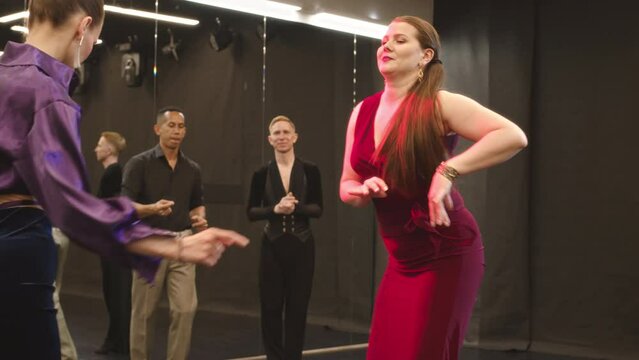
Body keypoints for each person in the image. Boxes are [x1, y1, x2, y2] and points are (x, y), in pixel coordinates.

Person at [0, 1, 248, 359]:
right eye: (94, 39)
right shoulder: (46, 94)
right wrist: (174, 246)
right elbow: (70, 206)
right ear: (83, 28)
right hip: (19, 256)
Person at [339, 16, 528, 360]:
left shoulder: (440, 103)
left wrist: (448, 169)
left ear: (425, 56)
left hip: (446, 253)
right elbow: (346, 184)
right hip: (401, 261)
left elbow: (513, 136)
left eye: (399, 40)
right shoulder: (361, 112)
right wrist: (361, 189)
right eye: (384, 40)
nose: (386, 46)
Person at [123, 106, 212, 360]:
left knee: (185, 310)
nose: (177, 131)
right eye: (171, 125)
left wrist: (199, 218)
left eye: (181, 126)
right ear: (157, 129)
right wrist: (151, 208)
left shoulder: (191, 168)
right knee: (144, 314)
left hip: (183, 243)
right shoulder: (139, 163)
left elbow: (197, 202)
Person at [247, 116, 323, 360]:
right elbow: (251, 211)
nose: (281, 136)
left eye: (285, 132)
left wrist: (295, 207)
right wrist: (275, 210)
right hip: (272, 246)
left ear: (295, 137)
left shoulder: (310, 170)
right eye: (276, 133)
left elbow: (318, 209)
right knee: (270, 307)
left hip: (302, 246)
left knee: (297, 309)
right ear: (270, 140)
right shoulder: (261, 173)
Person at [92, 131, 131, 355]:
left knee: (116, 291)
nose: (96, 149)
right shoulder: (114, 173)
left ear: (109, 149)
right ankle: (116, 339)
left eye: (99, 145)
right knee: (115, 291)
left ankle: (119, 341)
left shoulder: (114, 172)